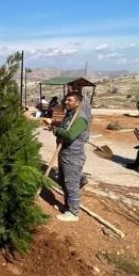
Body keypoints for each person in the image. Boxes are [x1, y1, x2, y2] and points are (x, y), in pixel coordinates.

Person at [51, 91, 90, 222]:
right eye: (66, 100)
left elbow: (69, 135)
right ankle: (67, 207)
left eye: (70, 100)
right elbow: (64, 130)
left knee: (71, 184)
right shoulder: (70, 115)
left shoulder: (80, 118)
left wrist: (57, 131)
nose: (66, 102)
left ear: (78, 102)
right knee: (63, 181)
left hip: (73, 157)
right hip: (64, 154)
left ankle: (74, 213)